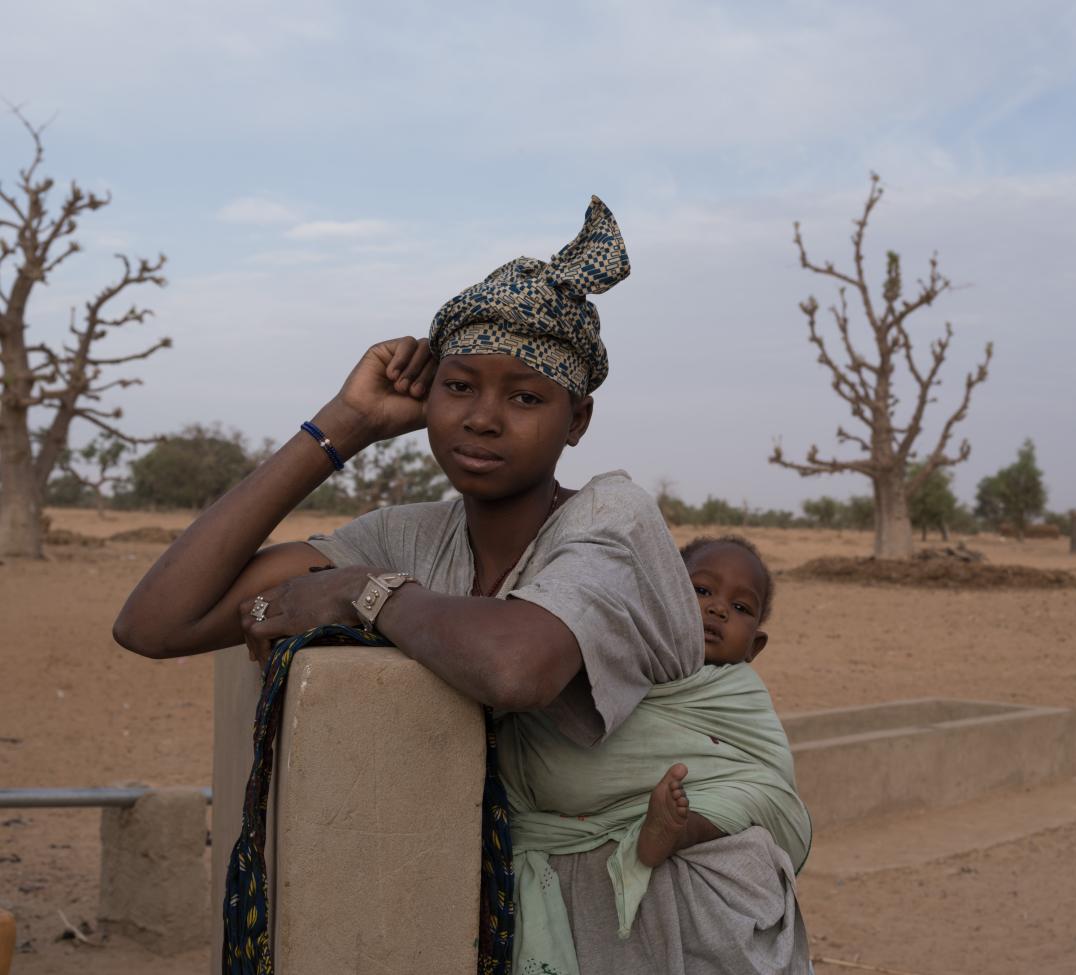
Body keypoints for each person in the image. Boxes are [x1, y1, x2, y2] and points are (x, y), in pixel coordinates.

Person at [114, 197, 810, 975]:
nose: (482, 419)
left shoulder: (614, 523)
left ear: (577, 419)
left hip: (685, 920)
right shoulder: (410, 537)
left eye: (525, 397)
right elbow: (155, 623)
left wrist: (359, 593)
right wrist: (340, 426)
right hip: (539, 919)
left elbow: (517, 667)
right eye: (459, 387)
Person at [636, 534, 783, 869]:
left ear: (754, 647)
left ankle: (678, 832)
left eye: (740, 607)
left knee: (758, 797)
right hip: (614, 790)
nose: (718, 609)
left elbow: (773, 772)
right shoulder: (634, 658)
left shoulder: (743, 693)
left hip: (700, 800)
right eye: (701, 591)